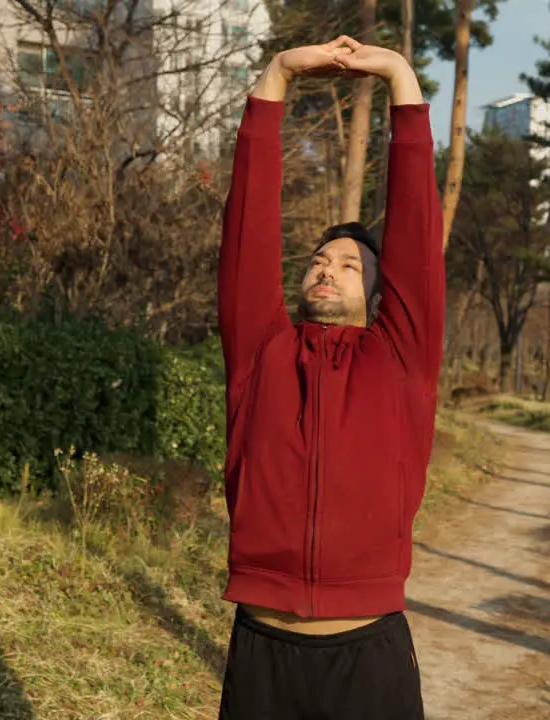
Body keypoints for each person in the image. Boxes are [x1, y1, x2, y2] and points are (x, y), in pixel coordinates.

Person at [215, 36, 442, 720]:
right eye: (318, 258)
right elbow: (248, 227)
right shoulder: (262, 351)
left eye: (349, 264)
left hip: (367, 658)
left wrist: (402, 78)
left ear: (378, 294)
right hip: (261, 653)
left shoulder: (401, 358)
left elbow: (414, 232)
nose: (326, 267)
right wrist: (277, 76)